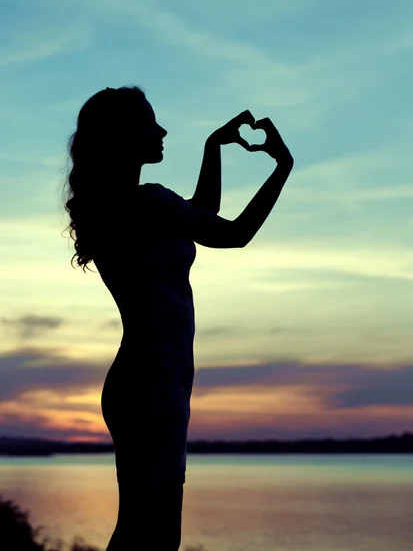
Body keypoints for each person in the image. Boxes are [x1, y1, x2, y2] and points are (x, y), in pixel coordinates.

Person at [62, 85, 294, 550]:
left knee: (140, 526)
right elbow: (234, 234)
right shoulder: (148, 202)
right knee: (157, 531)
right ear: (125, 136)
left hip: (144, 380)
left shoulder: (127, 207)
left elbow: (199, 215)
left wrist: (214, 147)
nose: (163, 130)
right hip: (153, 384)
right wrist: (282, 167)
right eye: (151, 122)